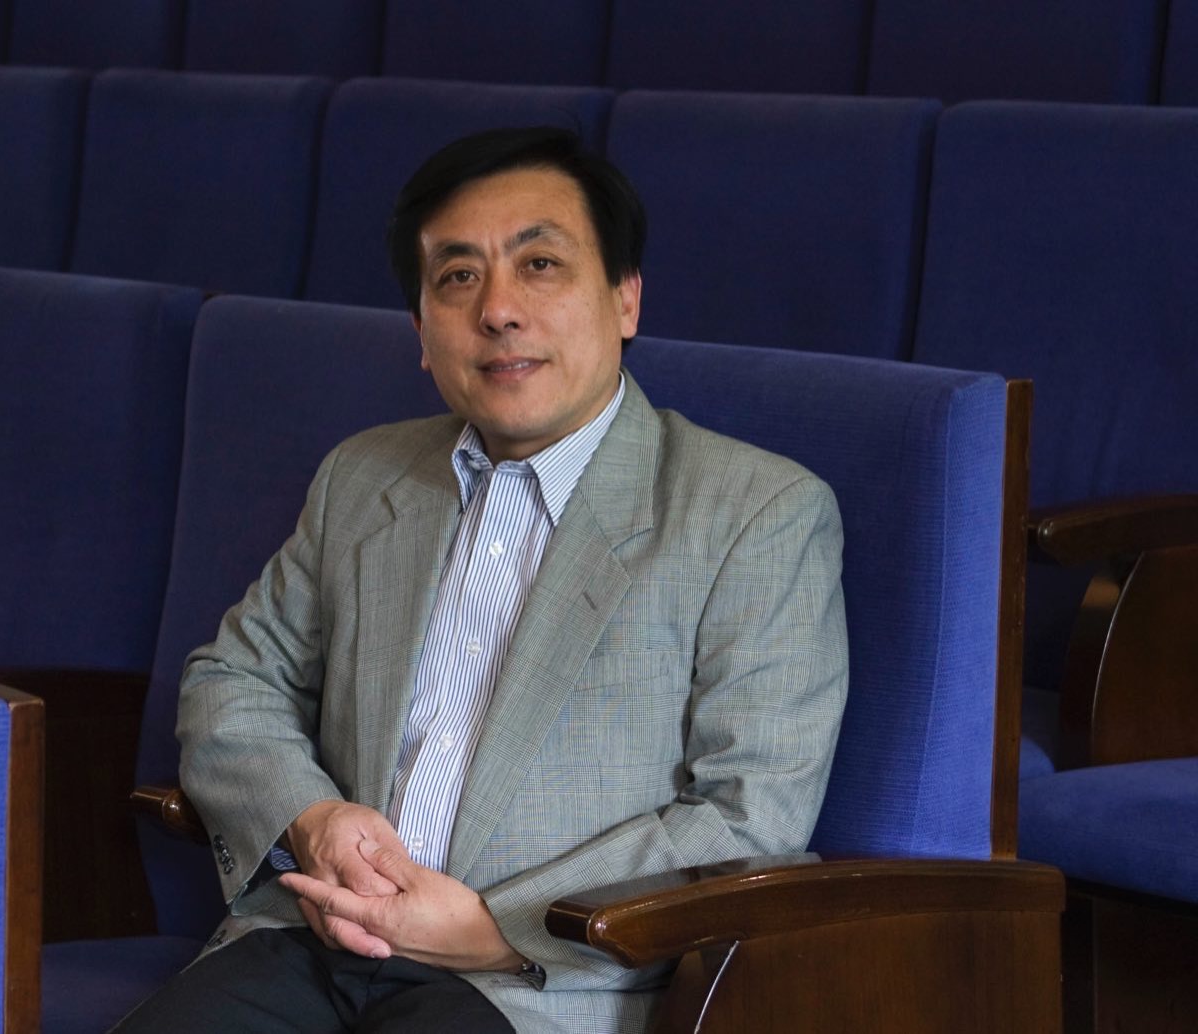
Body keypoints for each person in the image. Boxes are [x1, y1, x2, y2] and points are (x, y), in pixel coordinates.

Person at [115, 126, 848, 1033]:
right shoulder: (363, 477)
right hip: (315, 941)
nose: (498, 310)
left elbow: (749, 818)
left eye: (540, 265)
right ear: (421, 333)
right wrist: (312, 818)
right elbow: (233, 680)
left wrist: (493, 930)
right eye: (458, 276)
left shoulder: (757, 513)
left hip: (538, 985)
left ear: (625, 298)